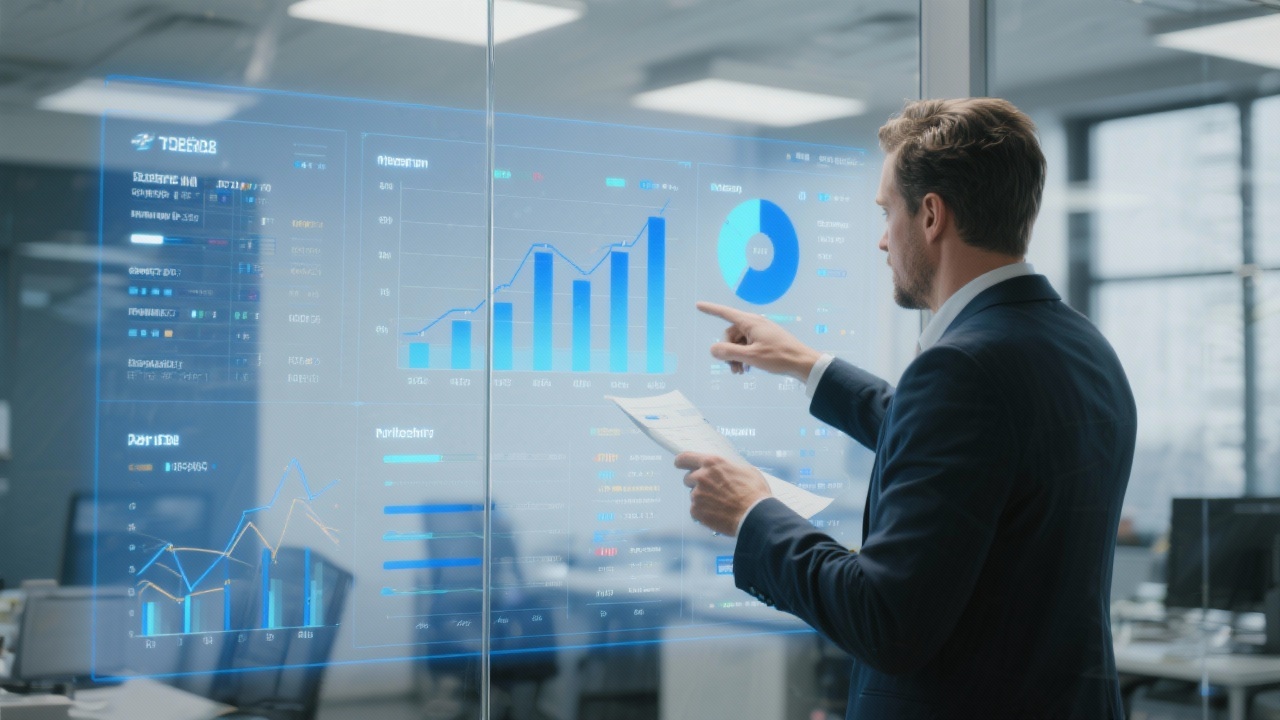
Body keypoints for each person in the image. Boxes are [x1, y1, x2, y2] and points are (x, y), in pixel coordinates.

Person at [676, 98, 1137, 719]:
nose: (880, 238)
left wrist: (754, 511)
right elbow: (973, 452)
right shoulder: (1082, 346)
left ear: (930, 216)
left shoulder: (963, 369)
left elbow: (884, 619)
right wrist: (808, 365)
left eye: (885, 210)